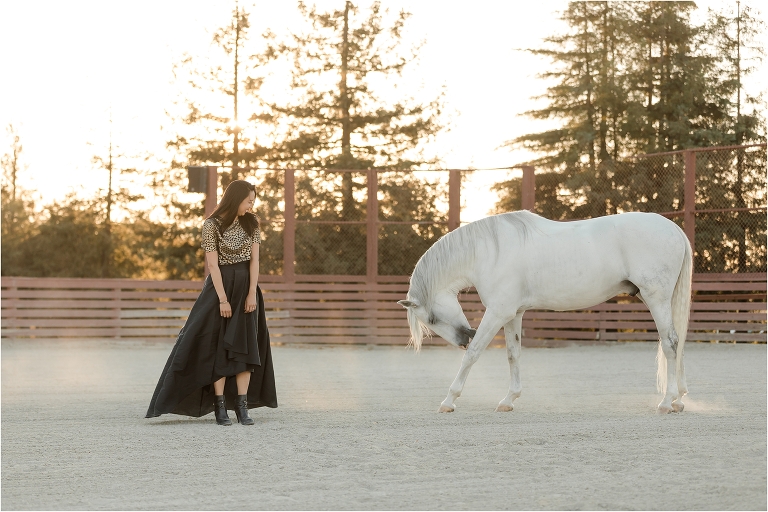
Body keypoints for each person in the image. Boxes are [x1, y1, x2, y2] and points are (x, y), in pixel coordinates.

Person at [145, 180, 277, 425]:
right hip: (220, 288)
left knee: (247, 347)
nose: (251, 205)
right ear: (235, 198)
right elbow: (213, 265)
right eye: (249, 200)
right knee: (217, 346)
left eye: (253, 201)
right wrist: (223, 299)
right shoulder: (211, 225)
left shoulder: (252, 223)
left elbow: (255, 262)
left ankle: (242, 406)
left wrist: (251, 294)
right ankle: (219, 407)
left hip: (246, 288)